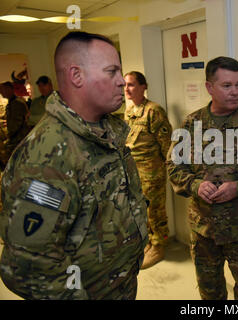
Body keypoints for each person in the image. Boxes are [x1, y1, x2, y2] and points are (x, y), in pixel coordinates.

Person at [0, 31, 148, 300]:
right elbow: (28, 268)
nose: (120, 83)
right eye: (112, 72)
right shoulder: (47, 157)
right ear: (76, 76)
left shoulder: (107, 132)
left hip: (120, 284)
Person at [167, 56, 238, 300]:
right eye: (227, 86)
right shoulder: (191, 124)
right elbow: (174, 166)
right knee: (210, 291)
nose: (235, 92)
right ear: (209, 87)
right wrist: (195, 185)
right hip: (203, 229)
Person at [124, 71, 172, 269]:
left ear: (144, 87)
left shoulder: (153, 111)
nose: (127, 89)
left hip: (152, 171)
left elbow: (167, 145)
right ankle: (149, 242)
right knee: (140, 210)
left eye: (132, 85)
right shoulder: (129, 111)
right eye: (125, 85)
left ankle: (159, 246)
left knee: (155, 211)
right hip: (134, 171)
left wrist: (160, 167)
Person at [0, 81, 30, 170]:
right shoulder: (11, 103)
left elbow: (16, 125)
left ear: (9, 89)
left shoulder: (17, 103)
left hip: (19, 140)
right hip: (16, 140)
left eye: (2, 90)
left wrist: (7, 138)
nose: (1, 92)